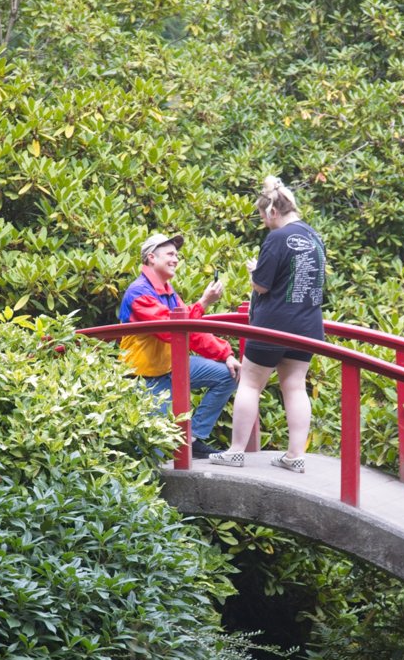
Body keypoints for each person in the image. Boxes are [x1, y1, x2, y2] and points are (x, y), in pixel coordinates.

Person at [209, 176, 326, 474]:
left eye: (263, 218)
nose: (265, 224)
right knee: (295, 387)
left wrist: (254, 273)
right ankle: (295, 455)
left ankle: (236, 451)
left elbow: (262, 286)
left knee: (250, 383)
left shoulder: (276, 238)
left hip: (273, 325)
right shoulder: (314, 237)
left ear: (273, 212)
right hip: (308, 325)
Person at [120, 232, 240, 458]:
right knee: (153, 449)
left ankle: (193, 438)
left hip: (171, 367)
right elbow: (169, 331)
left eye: (177, 254)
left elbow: (191, 331)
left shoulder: (168, 291)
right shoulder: (138, 292)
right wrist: (203, 303)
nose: (175, 259)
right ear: (151, 258)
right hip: (144, 379)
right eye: (170, 254)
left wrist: (226, 355)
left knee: (228, 374)